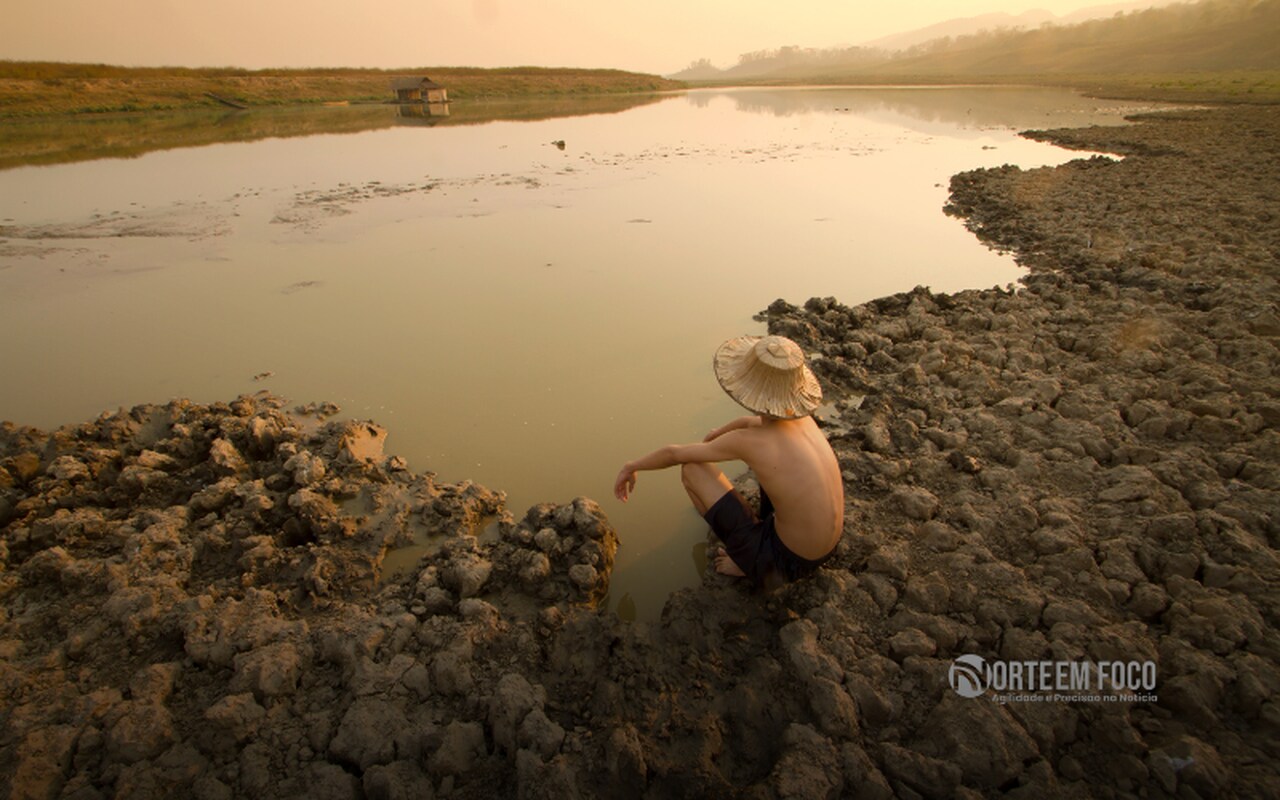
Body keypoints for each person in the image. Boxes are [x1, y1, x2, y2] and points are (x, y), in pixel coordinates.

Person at [613, 335, 844, 591]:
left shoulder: (750, 443)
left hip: (782, 564)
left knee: (692, 468)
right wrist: (718, 434)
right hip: (826, 549)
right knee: (775, 471)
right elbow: (750, 423)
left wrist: (631, 466)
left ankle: (747, 562)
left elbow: (675, 453)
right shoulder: (802, 421)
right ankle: (759, 542)